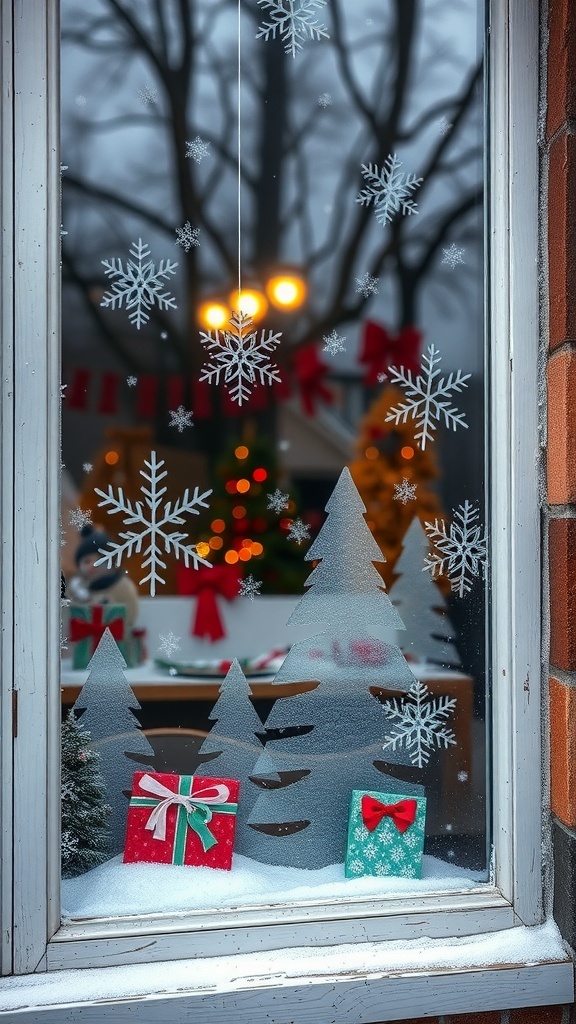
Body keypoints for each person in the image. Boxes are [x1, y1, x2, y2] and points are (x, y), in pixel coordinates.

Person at [66, 525, 139, 630]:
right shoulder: (75, 589)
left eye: (100, 560)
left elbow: (130, 615)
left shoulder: (122, 586)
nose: (94, 565)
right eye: (87, 561)